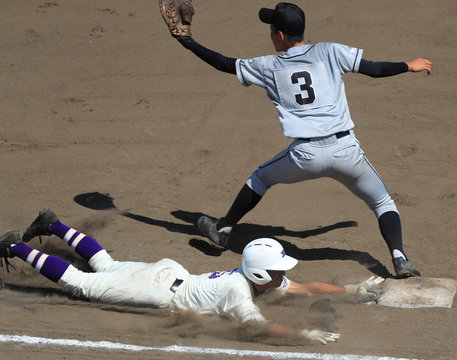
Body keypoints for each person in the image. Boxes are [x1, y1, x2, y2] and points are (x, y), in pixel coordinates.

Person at [163, 2, 431, 278]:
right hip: (346, 151)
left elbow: (223, 63)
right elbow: (373, 69)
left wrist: (186, 41)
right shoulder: (329, 51)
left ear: (279, 35)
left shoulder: (268, 66)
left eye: (271, 29)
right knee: (382, 202)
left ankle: (223, 229)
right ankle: (400, 258)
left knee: (261, 178)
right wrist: (407, 66)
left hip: (306, 156)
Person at [0, 208, 383, 344]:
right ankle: (15, 246)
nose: (285, 275)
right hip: (157, 289)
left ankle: (55, 224)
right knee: (84, 283)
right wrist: (304, 334)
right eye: (279, 269)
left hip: (169, 273)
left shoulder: (252, 278)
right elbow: (262, 328)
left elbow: (307, 286)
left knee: (106, 265)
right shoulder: (238, 291)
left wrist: (352, 289)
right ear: (262, 273)